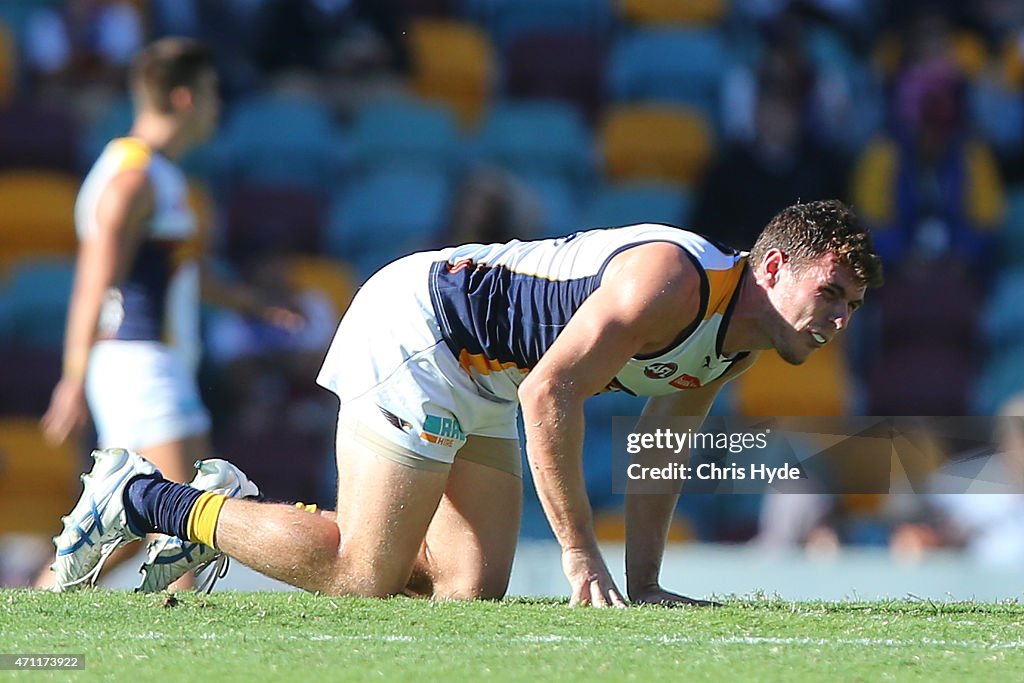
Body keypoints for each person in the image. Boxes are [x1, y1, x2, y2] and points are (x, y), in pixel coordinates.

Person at [51, 199, 883, 605]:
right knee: (361, 575)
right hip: (428, 328)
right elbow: (553, 394)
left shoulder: (744, 337)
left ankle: (227, 520)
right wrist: (581, 553)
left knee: (466, 590)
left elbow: (660, 447)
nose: (841, 317)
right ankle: (140, 496)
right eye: (833, 291)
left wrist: (649, 583)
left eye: (853, 305)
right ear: (774, 269)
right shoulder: (675, 280)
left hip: (489, 371)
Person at [39, 37, 298, 591]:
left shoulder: (158, 173)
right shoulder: (134, 177)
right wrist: (73, 377)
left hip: (152, 364)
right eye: (211, 94)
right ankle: (184, 654)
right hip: (140, 364)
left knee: (140, 523)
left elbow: (181, 271)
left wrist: (254, 304)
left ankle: (42, 602)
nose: (216, 107)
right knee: (185, 521)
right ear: (184, 98)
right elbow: (94, 281)